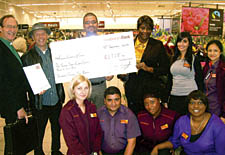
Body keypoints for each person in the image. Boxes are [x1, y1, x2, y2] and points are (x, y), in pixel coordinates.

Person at [21, 23, 65, 155]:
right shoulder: (27, 58)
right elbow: (24, 81)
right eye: (37, 34)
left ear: (47, 35)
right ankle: (38, 151)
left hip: (56, 99)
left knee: (56, 128)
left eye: (43, 33)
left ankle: (55, 150)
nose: (41, 36)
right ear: (33, 37)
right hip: (40, 102)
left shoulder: (57, 54)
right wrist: (34, 88)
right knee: (39, 130)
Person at [119, 15, 170, 115]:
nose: (145, 31)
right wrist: (123, 75)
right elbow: (120, 67)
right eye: (142, 28)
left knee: (149, 118)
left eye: (148, 29)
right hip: (132, 89)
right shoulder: (127, 44)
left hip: (150, 90)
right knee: (134, 117)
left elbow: (165, 69)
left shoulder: (157, 45)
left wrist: (149, 69)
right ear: (138, 29)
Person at [151, 90, 225, 155]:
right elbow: (175, 142)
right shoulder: (181, 121)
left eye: (200, 103)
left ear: (206, 105)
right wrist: (157, 147)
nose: (196, 106)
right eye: (192, 103)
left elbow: (221, 152)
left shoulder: (217, 125)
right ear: (188, 105)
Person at [0, 14, 29, 154]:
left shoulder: (10, 47)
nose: (12, 29)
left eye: (14, 26)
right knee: (13, 143)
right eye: (8, 26)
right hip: (12, 104)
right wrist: (18, 107)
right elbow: (3, 83)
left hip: (17, 101)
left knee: (17, 141)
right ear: (1, 28)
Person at [59, 75, 102, 155]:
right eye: (79, 88)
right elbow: (71, 141)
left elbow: (98, 131)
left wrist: (95, 151)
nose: (83, 92)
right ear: (73, 90)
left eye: (86, 88)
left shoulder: (92, 107)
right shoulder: (67, 111)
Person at [168, 32, 204, 115]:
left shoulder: (194, 59)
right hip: (174, 96)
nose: (181, 44)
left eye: (185, 41)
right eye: (179, 41)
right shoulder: (173, 59)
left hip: (190, 97)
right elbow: (170, 80)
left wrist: (200, 98)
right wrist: (165, 99)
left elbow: (199, 79)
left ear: (189, 43)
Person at [97, 86, 141, 154]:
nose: (113, 103)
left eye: (116, 99)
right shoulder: (98, 114)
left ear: (121, 99)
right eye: (109, 100)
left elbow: (131, 143)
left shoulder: (129, 115)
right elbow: (94, 139)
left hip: (124, 152)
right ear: (104, 101)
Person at [83, 12, 113, 109]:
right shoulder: (77, 45)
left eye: (93, 22)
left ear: (97, 24)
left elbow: (111, 61)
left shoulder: (105, 43)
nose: (90, 25)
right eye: (87, 22)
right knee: (83, 118)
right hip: (83, 88)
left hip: (100, 87)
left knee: (100, 117)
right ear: (83, 25)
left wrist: (111, 72)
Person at [136, 88, 179, 154]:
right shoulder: (140, 116)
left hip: (164, 146)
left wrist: (172, 146)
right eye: (146, 104)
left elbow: (176, 136)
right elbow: (137, 136)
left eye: (152, 102)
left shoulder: (172, 116)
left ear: (159, 100)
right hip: (145, 147)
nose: (149, 106)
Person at [203, 40, 225, 122]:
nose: (212, 53)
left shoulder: (222, 69)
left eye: (215, 50)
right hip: (205, 108)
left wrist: (224, 114)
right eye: (210, 50)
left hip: (218, 109)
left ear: (220, 52)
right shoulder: (206, 67)